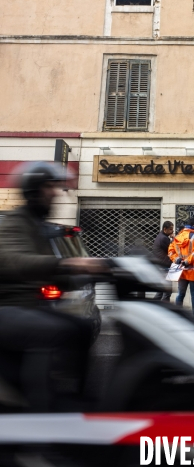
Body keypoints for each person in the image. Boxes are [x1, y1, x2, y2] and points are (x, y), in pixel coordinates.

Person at [0, 162, 107, 410]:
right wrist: (70, 264)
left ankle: (73, 396)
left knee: (80, 327)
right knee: (56, 331)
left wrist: (103, 270)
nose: (55, 193)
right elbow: (16, 260)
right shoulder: (14, 223)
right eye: (49, 187)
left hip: (27, 306)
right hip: (7, 307)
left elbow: (57, 274)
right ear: (33, 191)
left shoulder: (39, 227)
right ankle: (41, 409)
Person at [168, 218, 194, 319]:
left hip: (181, 271)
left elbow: (170, 252)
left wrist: (177, 260)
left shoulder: (177, 237)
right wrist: (188, 261)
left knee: (180, 294)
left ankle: (178, 317)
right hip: (193, 271)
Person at [152, 221, 174, 302]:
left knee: (160, 291)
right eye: (171, 229)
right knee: (167, 291)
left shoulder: (160, 236)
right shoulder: (164, 238)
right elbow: (171, 249)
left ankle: (153, 306)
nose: (172, 231)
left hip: (160, 266)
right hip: (164, 266)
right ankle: (166, 309)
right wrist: (174, 239)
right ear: (165, 229)